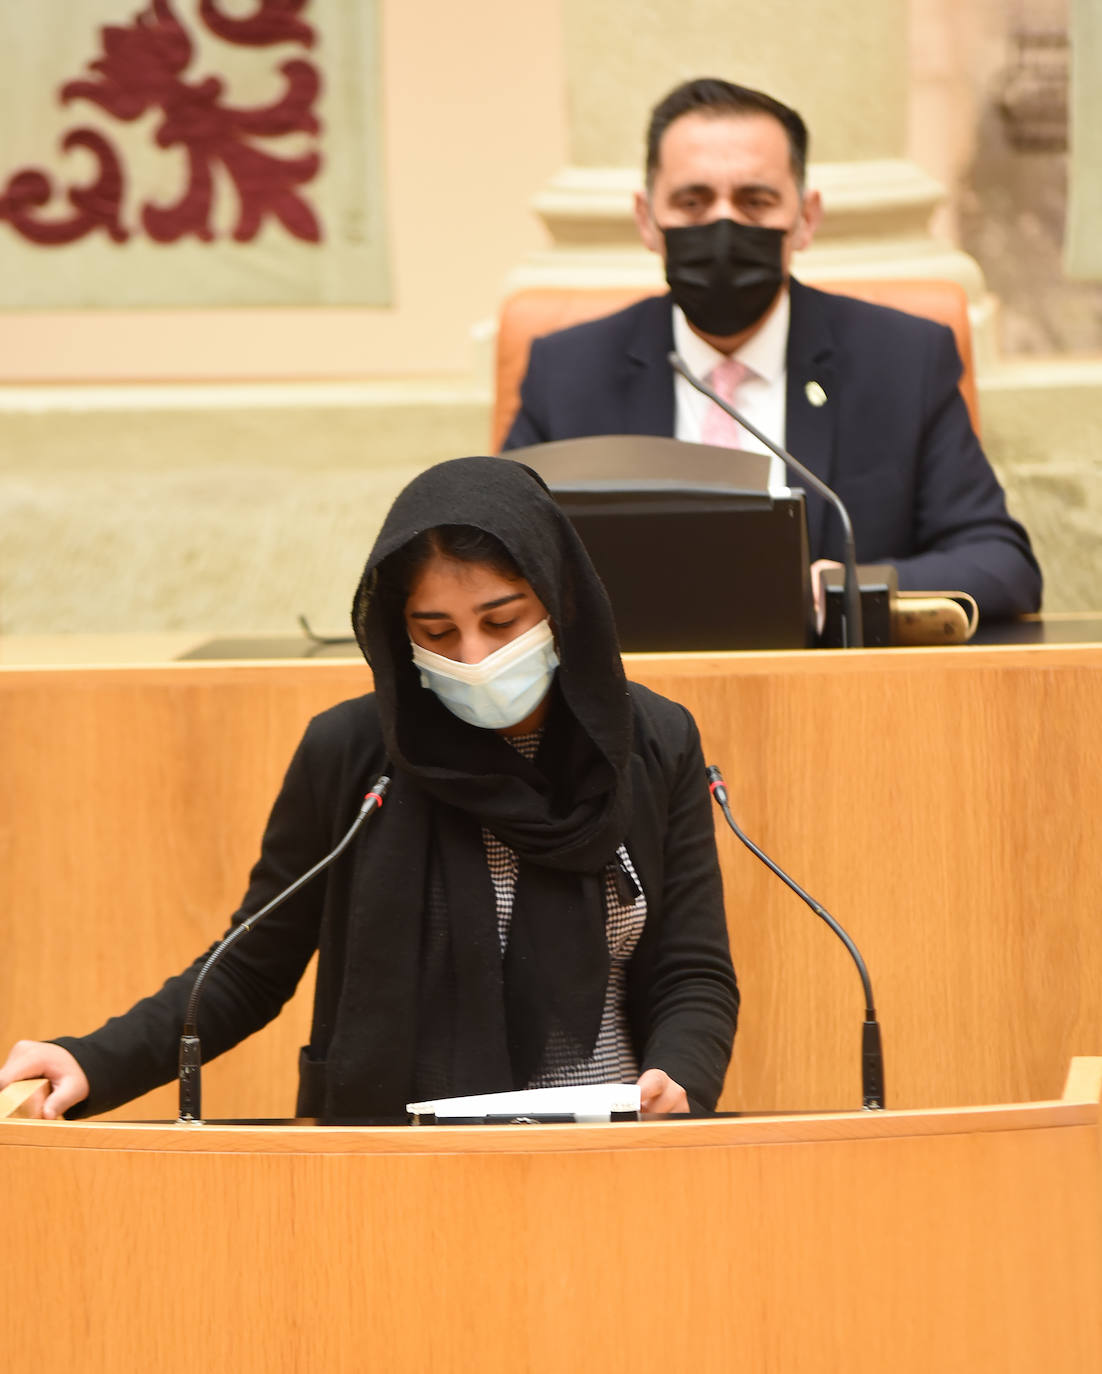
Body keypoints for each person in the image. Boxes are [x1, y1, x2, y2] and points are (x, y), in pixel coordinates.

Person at [0, 457, 738, 1121]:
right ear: (398, 630)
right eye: (437, 632)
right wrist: (94, 1060)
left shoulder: (651, 741)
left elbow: (692, 969)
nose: (475, 656)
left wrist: (681, 1078)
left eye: (501, 620)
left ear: (559, 600)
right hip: (395, 1158)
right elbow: (251, 969)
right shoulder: (354, 753)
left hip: (614, 1148)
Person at [502, 78, 1042, 623]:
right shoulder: (568, 371)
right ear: (646, 219)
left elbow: (1001, 564)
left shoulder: (903, 361)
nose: (723, 225)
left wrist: (843, 589)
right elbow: (496, 559)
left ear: (805, 218)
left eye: (754, 201)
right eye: (693, 202)